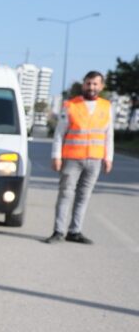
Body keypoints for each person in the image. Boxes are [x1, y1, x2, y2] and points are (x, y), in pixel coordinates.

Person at [44, 70, 114, 244]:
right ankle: (58, 232)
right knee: (65, 194)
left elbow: (108, 135)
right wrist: (56, 156)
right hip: (72, 159)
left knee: (84, 196)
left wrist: (108, 157)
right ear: (83, 84)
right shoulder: (70, 105)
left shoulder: (106, 106)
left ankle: (75, 231)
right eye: (88, 83)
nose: (91, 87)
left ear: (101, 86)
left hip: (95, 160)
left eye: (95, 84)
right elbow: (59, 134)